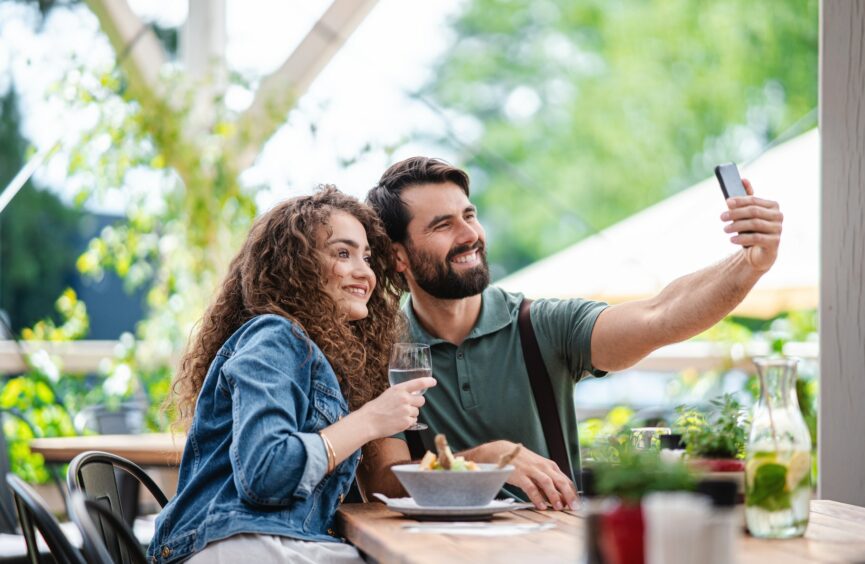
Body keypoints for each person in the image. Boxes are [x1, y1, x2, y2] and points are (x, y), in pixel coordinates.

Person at [361, 157, 783, 511]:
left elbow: (660, 315)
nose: (470, 234)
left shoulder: (540, 326)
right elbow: (383, 483)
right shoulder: (380, 350)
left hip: (552, 547)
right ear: (398, 256)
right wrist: (484, 461)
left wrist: (750, 265)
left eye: (469, 215)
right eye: (443, 225)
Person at [148, 186, 436, 563]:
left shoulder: (310, 352)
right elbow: (266, 473)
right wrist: (370, 421)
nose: (364, 272)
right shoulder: (275, 337)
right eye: (343, 253)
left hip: (275, 543)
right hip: (236, 546)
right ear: (296, 264)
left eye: (366, 257)